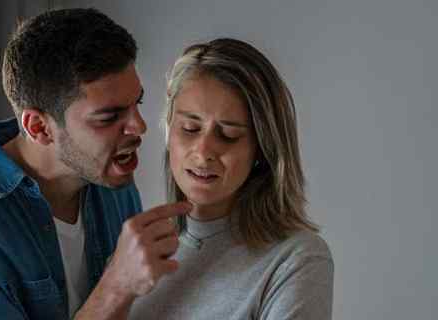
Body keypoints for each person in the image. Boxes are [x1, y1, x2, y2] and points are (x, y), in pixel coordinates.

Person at [0, 8, 190, 320]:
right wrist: (117, 286)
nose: (139, 126)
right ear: (39, 127)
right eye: (109, 117)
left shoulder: (110, 178)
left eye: (138, 103)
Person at [128, 38, 334, 319]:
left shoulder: (296, 259)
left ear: (262, 148)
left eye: (228, 135)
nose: (203, 152)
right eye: (189, 128)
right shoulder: (135, 253)